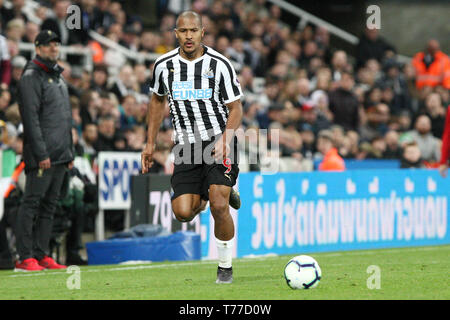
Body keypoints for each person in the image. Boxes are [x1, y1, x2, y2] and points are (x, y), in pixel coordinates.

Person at [141, 11, 242, 284]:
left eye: (193, 30)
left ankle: (224, 267)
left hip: (218, 141)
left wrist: (224, 139)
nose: (188, 36)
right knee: (183, 212)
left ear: (202, 32)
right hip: (185, 145)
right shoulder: (164, 65)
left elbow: (236, 108)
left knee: (219, 206)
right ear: (176, 33)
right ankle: (216, 189)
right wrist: (149, 143)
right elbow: (156, 101)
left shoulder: (219, 64)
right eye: (183, 31)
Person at [15, 30, 74, 271]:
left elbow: (65, 119)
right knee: (32, 203)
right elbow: (30, 119)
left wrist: (69, 152)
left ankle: (41, 253)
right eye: (48, 45)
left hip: (60, 155)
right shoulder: (31, 76)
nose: (53, 48)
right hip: (43, 155)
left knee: (49, 206)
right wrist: (41, 154)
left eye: (56, 44)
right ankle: (25, 256)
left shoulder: (57, 76)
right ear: (37, 48)